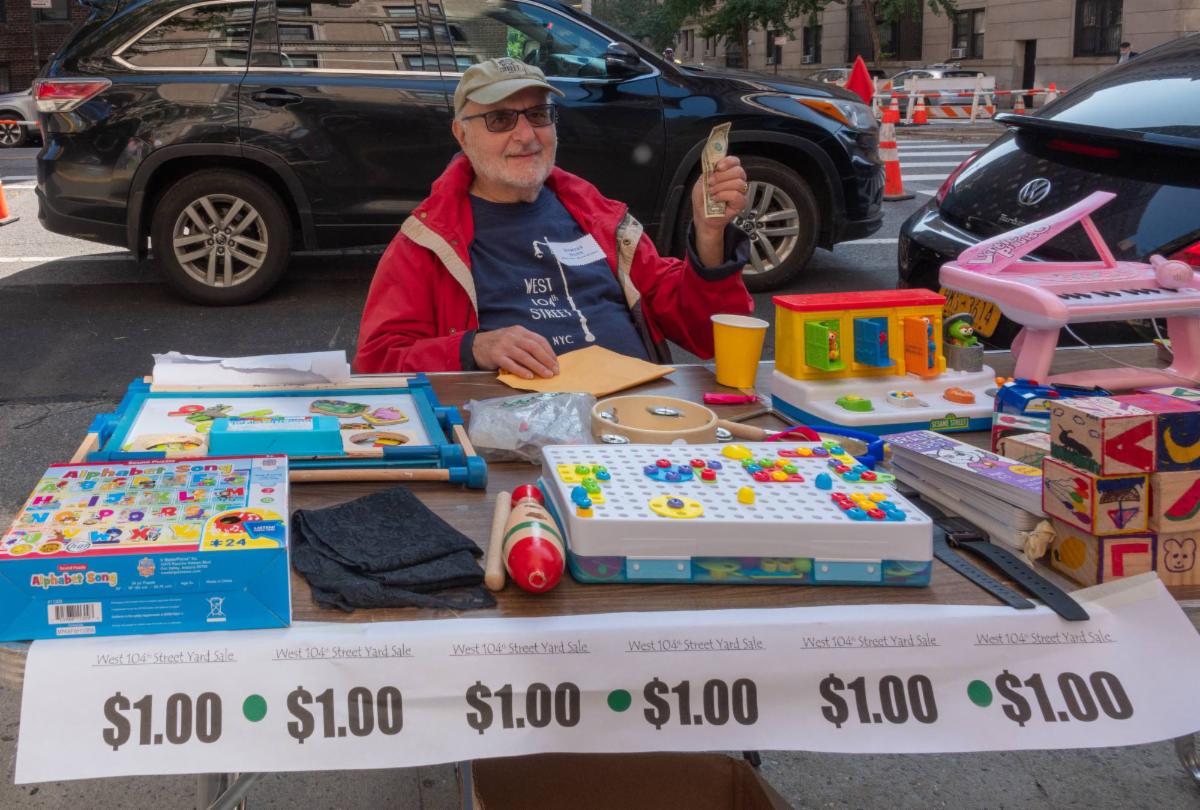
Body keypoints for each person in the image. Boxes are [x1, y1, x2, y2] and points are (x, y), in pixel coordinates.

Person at [355, 58, 754, 377]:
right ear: (461, 134)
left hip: (636, 421)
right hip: (517, 437)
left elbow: (709, 335)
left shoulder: (600, 218)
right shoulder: (428, 240)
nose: (527, 135)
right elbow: (377, 363)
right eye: (500, 120)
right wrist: (473, 347)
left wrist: (709, 236)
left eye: (539, 114)